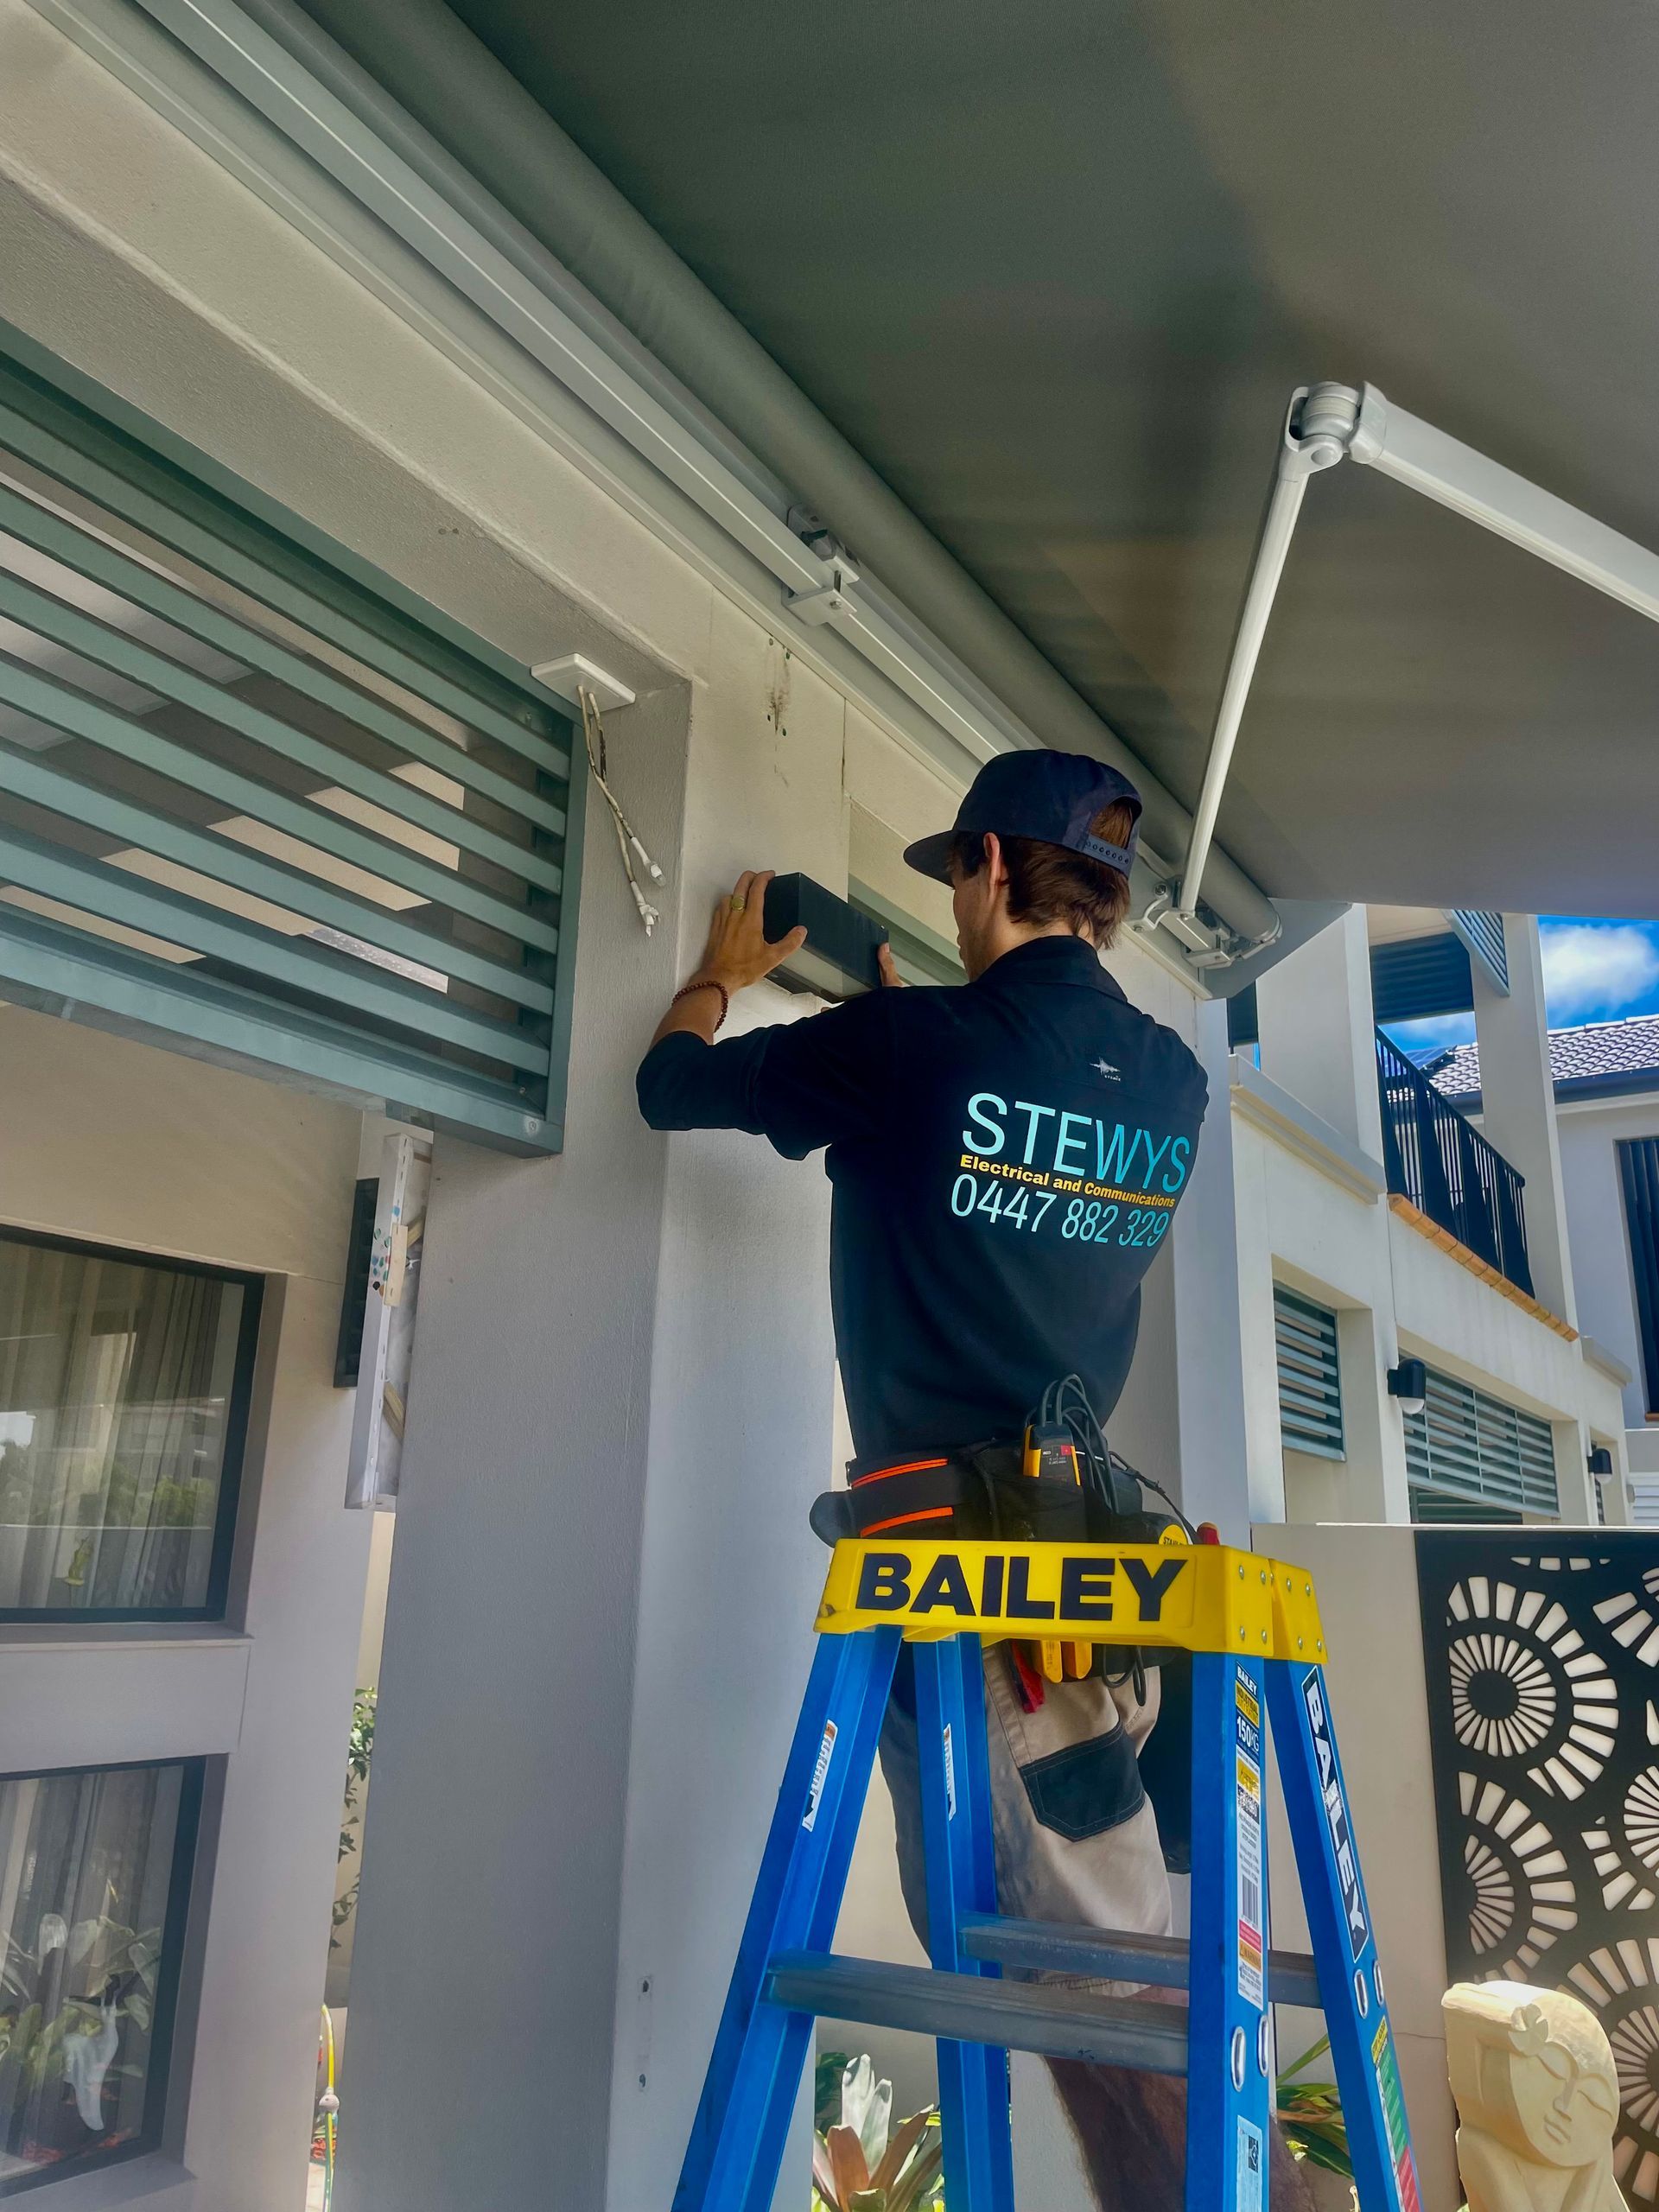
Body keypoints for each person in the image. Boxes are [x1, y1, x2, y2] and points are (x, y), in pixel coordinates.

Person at [635, 749, 1313, 2211]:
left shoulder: (911, 1050)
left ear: (991, 866)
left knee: (1092, 1997)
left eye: (957, 869)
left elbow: (668, 1088)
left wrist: (717, 976)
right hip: (1106, 1580)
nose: (954, 893)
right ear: (1106, 896)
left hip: (966, 1585)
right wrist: (911, 1041)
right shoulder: (1176, 1081)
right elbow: (1008, 1174)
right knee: (1104, 1980)